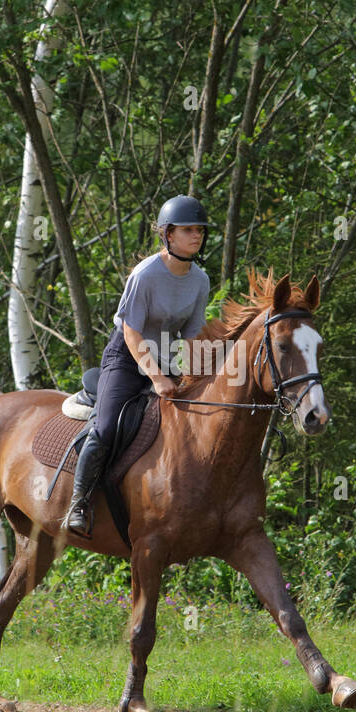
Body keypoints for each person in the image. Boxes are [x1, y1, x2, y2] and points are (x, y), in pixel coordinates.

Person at [65, 195, 213, 535]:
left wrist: (197, 369)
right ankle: (79, 502)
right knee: (105, 428)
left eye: (200, 231)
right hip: (126, 358)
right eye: (188, 230)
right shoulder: (146, 274)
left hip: (165, 358)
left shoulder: (200, 280)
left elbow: (192, 332)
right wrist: (157, 377)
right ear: (168, 235)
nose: (196, 236)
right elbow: (131, 330)